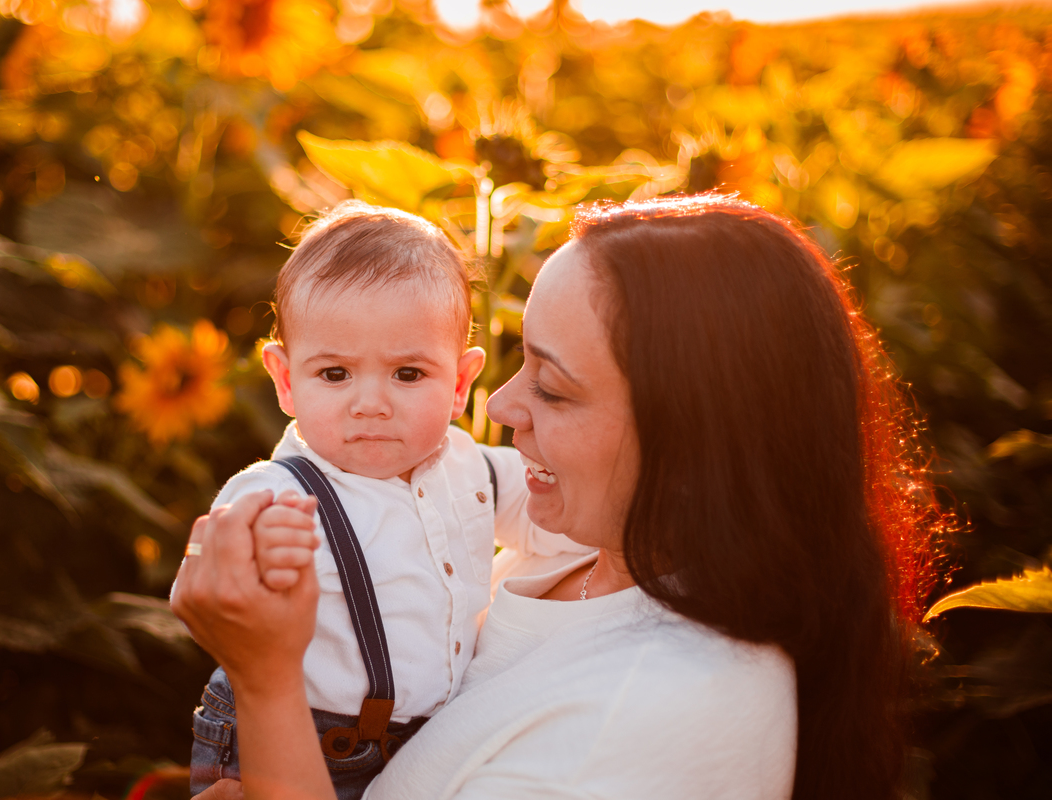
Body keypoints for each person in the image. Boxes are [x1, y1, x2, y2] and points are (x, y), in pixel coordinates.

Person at [172, 194, 948, 800]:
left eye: (554, 387)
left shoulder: (640, 724)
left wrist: (268, 683)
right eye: (519, 362)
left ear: (690, 443)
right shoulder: (596, 545)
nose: (500, 408)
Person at [186, 202, 590, 800]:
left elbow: (560, 519)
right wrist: (259, 554)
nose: (370, 403)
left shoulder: (473, 470)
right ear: (285, 379)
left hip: (420, 741)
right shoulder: (280, 492)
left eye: (406, 374)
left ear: (459, 383)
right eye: (334, 374)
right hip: (296, 736)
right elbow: (216, 571)